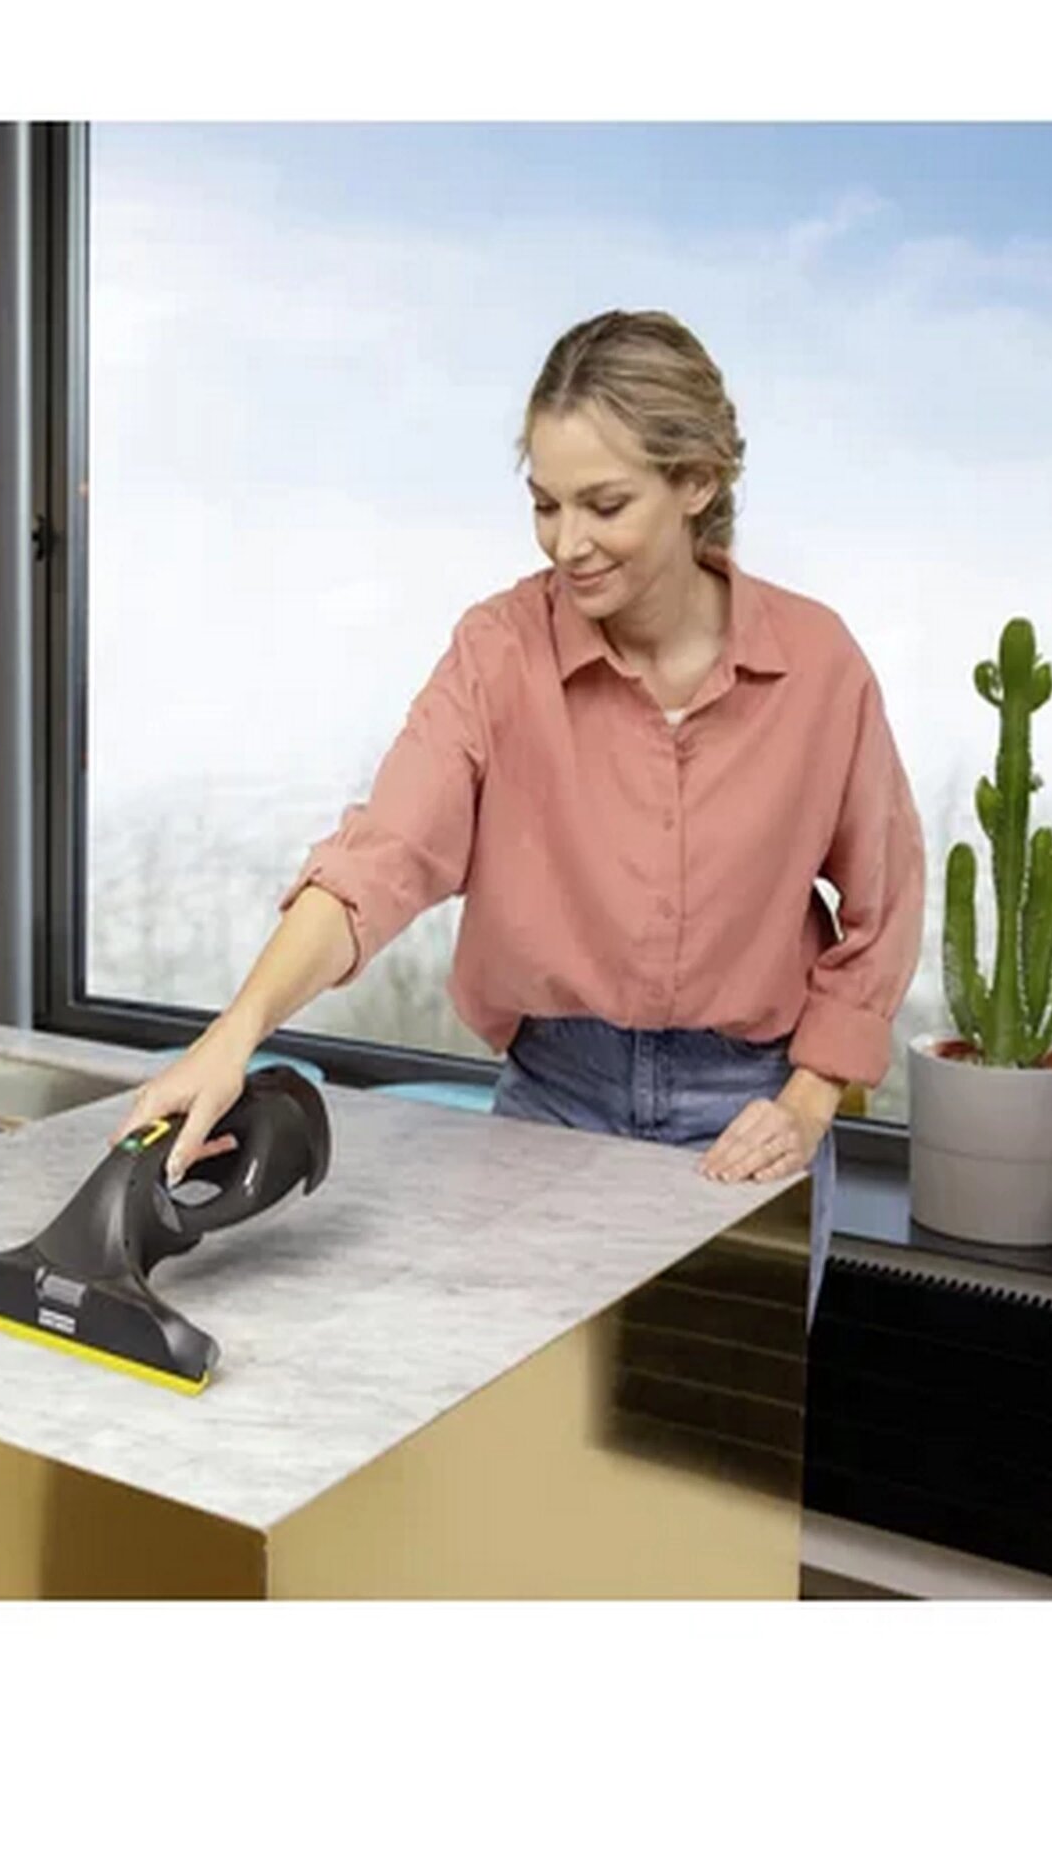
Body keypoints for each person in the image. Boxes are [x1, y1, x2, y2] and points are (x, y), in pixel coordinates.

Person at [113, 308, 926, 1318]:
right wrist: (236, 1031)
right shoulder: (497, 653)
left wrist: (804, 1105)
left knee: (712, 1415)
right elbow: (380, 858)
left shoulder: (818, 667)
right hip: (552, 1098)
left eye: (603, 504)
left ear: (697, 482)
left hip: (746, 1114)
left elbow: (884, 907)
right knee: (534, 1411)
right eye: (544, 504)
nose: (567, 543)